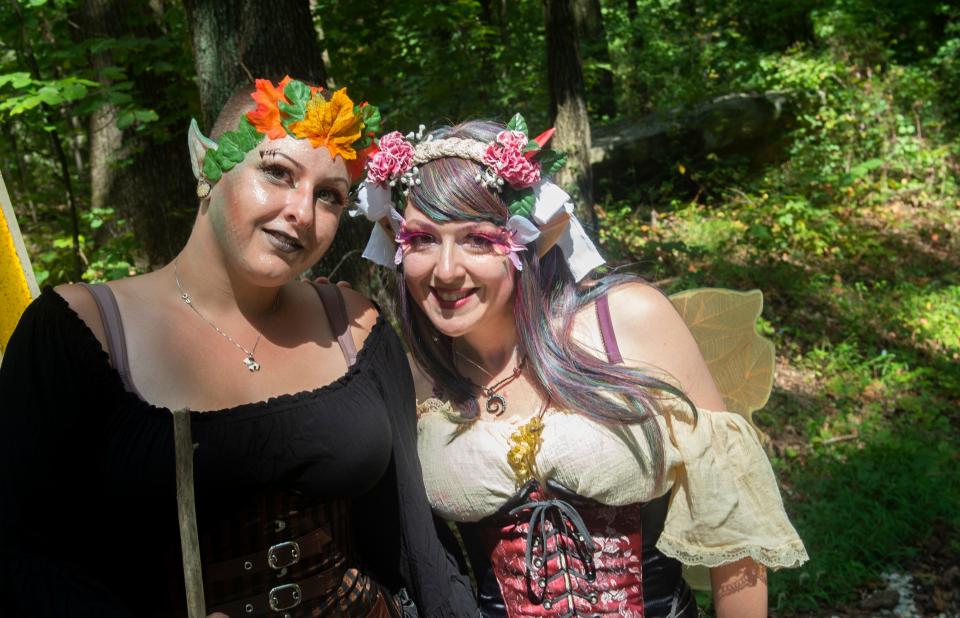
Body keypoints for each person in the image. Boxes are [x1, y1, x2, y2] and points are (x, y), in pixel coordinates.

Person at [0, 77, 477, 618]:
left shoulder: (356, 327)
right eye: (277, 172)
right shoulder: (81, 333)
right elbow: (25, 553)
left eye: (329, 196)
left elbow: (414, 537)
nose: (303, 211)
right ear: (208, 167)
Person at [354, 118, 808, 617]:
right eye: (421, 240)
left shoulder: (627, 321)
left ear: (525, 241)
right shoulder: (416, 380)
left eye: (478, 240)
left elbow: (734, 536)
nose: (444, 270)